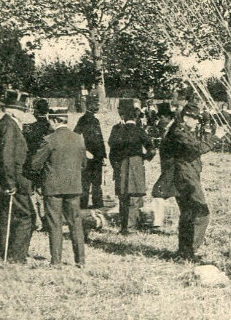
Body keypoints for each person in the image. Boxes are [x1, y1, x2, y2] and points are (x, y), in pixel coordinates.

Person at [162, 102, 227, 261]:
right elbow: (198, 148)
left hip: (186, 176)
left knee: (188, 214)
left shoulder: (181, 130)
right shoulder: (179, 132)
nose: (197, 121)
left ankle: (184, 253)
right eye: (195, 118)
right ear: (186, 117)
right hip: (186, 177)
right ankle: (191, 252)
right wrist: (216, 137)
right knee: (201, 212)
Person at [30, 107, 87, 266]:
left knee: (55, 224)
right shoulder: (78, 138)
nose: (49, 124)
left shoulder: (49, 139)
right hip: (74, 187)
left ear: (54, 120)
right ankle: (80, 260)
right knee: (76, 223)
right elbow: (83, 163)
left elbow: (35, 164)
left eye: (50, 121)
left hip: (53, 188)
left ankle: (56, 261)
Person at [0, 90, 34, 263]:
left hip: (5, 179)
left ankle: (5, 251)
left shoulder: (4, 124)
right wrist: (10, 183)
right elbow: (6, 157)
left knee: (6, 216)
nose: (24, 113)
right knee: (26, 216)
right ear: (12, 110)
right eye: (21, 110)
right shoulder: (10, 126)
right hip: (14, 180)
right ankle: (16, 257)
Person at [108, 99, 155, 235]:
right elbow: (152, 150)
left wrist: (115, 164)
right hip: (136, 165)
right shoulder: (140, 131)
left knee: (123, 196)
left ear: (122, 115)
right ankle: (132, 226)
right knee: (134, 197)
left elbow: (112, 147)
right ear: (135, 116)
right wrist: (143, 158)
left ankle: (124, 227)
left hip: (121, 165)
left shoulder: (116, 130)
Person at [23, 98, 54, 232]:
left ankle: (36, 220)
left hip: (32, 166)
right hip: (48, 166)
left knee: (32, 193)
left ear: (35, 111)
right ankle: (47, 220)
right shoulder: (52, 128)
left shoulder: (29, 129)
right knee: (46, 194)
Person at [75, 94, 106, 212]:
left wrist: (102, 155)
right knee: (86, 181)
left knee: (97, 181)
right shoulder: (83, 119)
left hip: (97, 156)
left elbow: (99, 139)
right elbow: (76, 136)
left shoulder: (95, 119)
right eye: (94, 104)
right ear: (88, 105)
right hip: (87, 156)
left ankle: (97, 203)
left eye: (97, 103)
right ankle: (83, 203)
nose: (97, 106)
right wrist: (84, 151)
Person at [149, 102, 177, 231]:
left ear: (167, 117)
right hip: (170, 167)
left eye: (160, 118)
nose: (159, 121)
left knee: (157, 192)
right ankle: (173, 222)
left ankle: (158, 222)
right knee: (178, 195)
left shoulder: (174, 129)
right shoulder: (168, 129)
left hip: (173, 167)